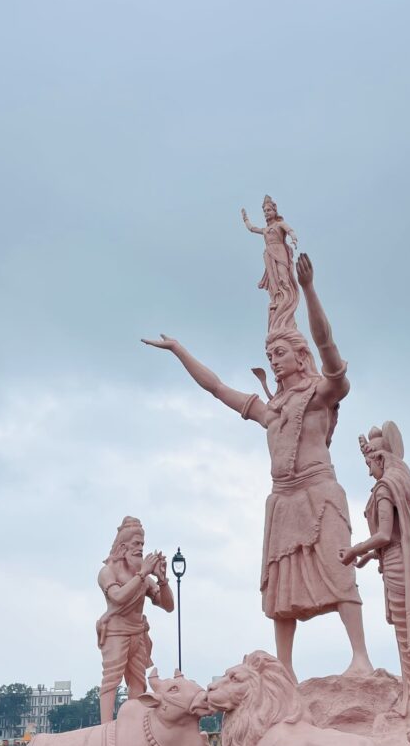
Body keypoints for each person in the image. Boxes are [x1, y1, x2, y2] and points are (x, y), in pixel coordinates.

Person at [142, 254, 373, 681]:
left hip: (319, 493)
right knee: (281, 591)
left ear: (300, 356)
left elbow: (329, 351)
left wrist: (309, 290)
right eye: (269, 354)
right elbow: (216, 388)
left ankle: (360, 657)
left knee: (339, 570)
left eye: (280, 352)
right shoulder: (272, 410)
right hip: (283, 501)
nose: (273, 360)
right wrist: (179, 351)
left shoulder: (321, 395)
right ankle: (285, 669)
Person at [339, 423, 410, 719]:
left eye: (369, 464)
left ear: (380, 458)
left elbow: (384, 535)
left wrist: (355, 550)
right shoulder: (406, 485)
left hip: (399, 565)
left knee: (407, 637)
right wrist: (368, 558)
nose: (369, 472)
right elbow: (396, 534)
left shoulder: (384, 488)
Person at [96, 517, 174, 723]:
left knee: (138, 682)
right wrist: (143, 573)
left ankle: (135, 724)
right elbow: (118, 597)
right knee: (111, 681)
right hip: (115, 632)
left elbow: (168, 606)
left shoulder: (143, 577)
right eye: (136, 544)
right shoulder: (107, 572)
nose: (140, 548)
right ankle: (106, 727)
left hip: (138, 632)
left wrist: (162, 580)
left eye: (142, 544)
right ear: (123, 548)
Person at [241, 196, 300, 332]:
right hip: (269, 255)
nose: (266, 213)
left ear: (274, 211)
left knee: (283, 278)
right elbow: (252, 228)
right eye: (264, 211)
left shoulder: (279, 224)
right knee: (274, 282)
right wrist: (245, 219)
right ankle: (277, 300)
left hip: (280, 252)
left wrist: (294, 239)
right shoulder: (265, 229)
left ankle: (286, 302)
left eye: (268, 210)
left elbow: (290, 230)